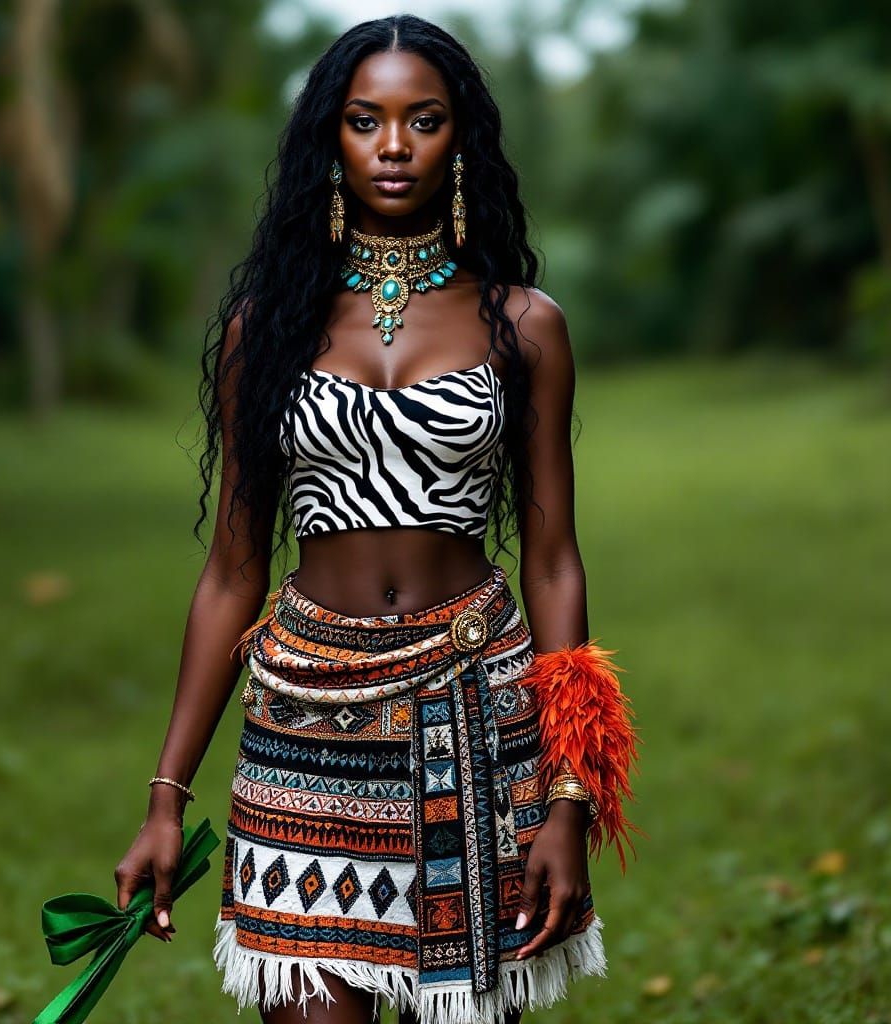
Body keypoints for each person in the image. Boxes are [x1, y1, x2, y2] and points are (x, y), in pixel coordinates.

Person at [113, 14, 638, 1024]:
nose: (393, 146)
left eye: (422, 120)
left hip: (476, 720)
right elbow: (232, 571)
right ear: (332, 141)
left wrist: (569, 794)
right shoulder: (263, 330)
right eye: (365, 121)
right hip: (303, 729)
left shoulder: (526, 325)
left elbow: (553, 560)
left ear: (459, 143)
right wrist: (164, 796)